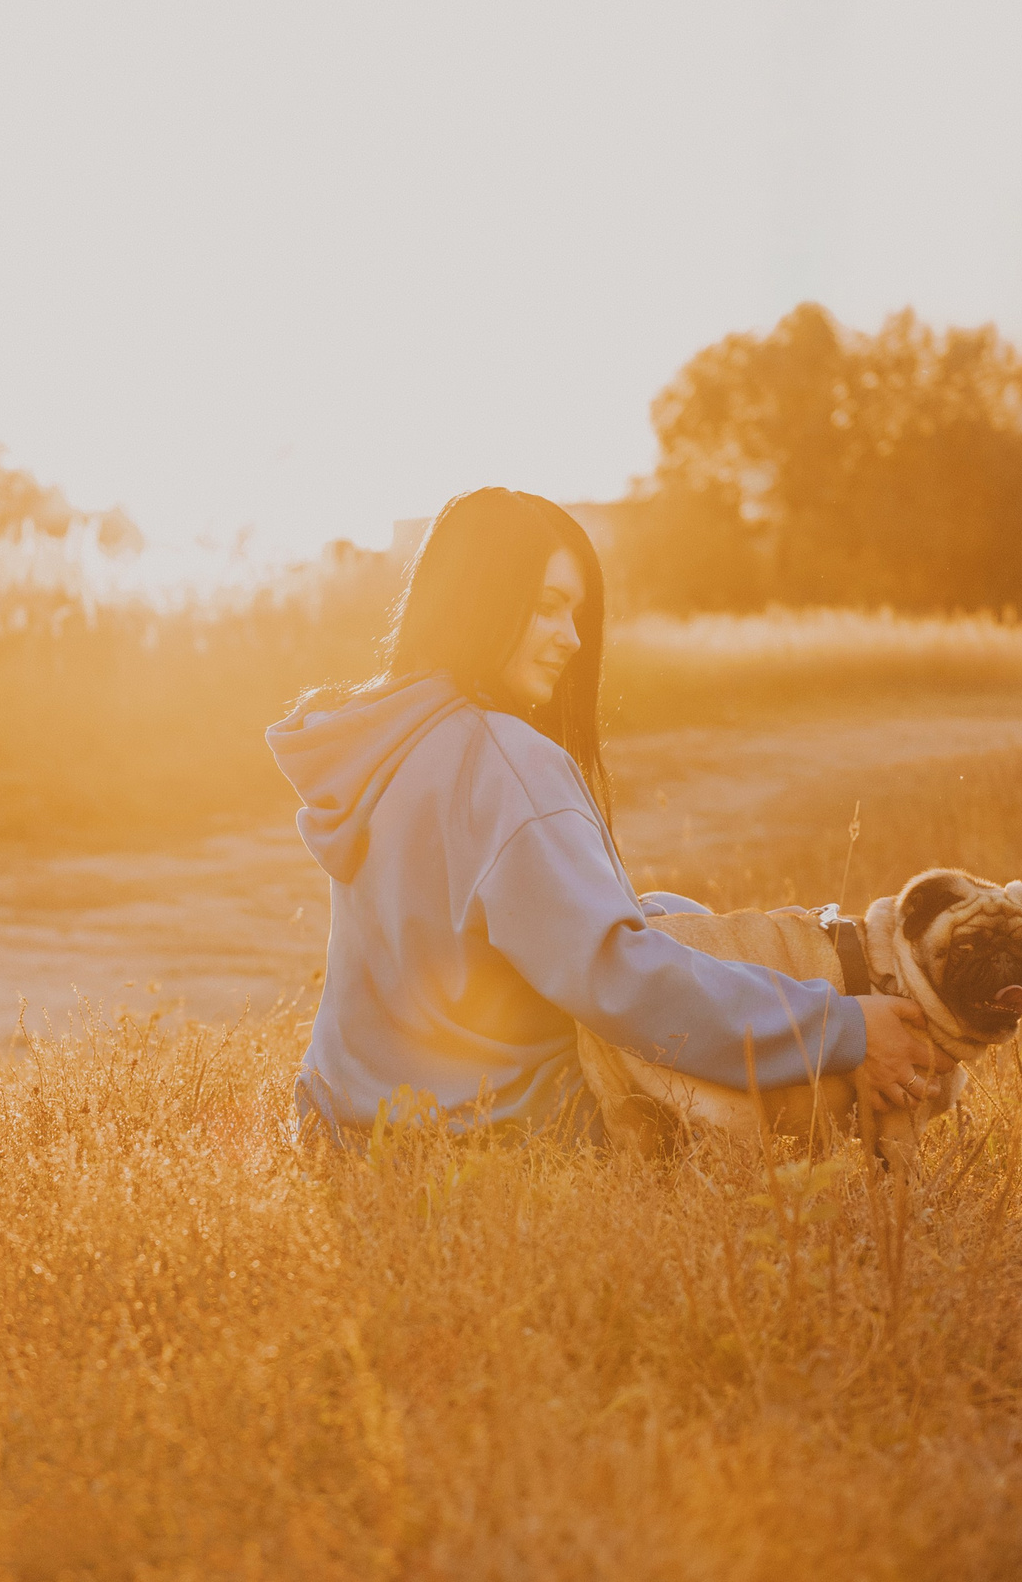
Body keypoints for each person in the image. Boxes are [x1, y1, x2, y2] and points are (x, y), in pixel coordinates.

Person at [267, 486, 935, 1140]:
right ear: (481, 604)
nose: (573, 637)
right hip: (495, 1126)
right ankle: (893, 1020)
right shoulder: (505, 760)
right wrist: (840, 1031)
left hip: (348, 1118)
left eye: (576, 611)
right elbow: (620, 979)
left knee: (670, 913)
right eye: (548, 607)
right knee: (715, 974)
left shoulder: (386, 738)